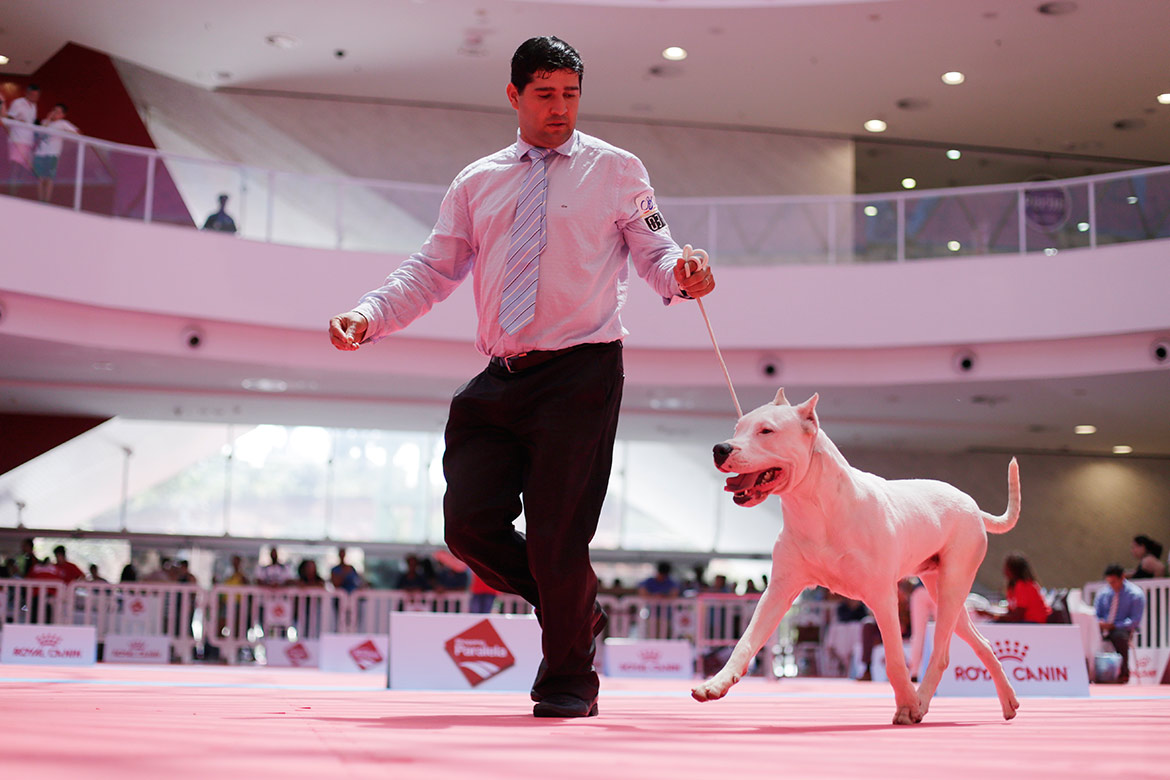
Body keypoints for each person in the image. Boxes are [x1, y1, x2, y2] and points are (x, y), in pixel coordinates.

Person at [328, 36, 714, 719]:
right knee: (468, 527)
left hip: (583, 372)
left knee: (559, 536)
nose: (560, 108)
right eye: (545, 94)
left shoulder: (618, 170)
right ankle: (572, 608)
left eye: (570, 94)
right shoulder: (477, 181)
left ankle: (569, 679)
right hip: (500, 379)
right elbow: (432, 268)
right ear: (514, 95)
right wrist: (368, 312)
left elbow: (657, 251)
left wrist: (686, 272)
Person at [1094, 563, 1146, 684]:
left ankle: (1123, 673)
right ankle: (1090, 671)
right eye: (1109, 582)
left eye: (1114, 582)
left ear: (1122, 577)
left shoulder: (1135, 594)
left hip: (1122, 628)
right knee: (1086, 633)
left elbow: (1134, 620)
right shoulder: (1103, 593)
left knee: (1119, 636)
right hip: (1102, 628)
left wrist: (1115, 625)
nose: (1112, 585)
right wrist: (1100, 623)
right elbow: (1096, 613)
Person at [32, 103, 79, 203]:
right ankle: (40, 200)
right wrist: (48, 120)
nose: (54, 113)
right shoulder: (45, 122)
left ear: (62, 115)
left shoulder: (63, 123)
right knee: (40, 178)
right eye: (54, 110)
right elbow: (40, 133)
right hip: (40, 153)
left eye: (58, 112)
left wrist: (64, 133)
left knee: (49, 178)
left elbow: (77, 133)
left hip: (53, 154)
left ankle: (47, 200)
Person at [994, 552, 1052, 623]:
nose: (1004, 571)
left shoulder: (1024, 585)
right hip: (1024, 622)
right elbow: (1011, 613)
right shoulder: (1012, 587)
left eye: (1007, 568)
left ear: (1014, 570)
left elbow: (1017, 616)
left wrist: (991, 615)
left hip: (1035, 622)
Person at [5, 83, 39, 194]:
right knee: (15, 167)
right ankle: (11, 193)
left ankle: (16, 192)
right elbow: (9, 117)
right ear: (27, 93)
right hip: (17, 139)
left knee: (22, 169)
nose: (34, 97)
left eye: (36, 95)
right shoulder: (18, 103)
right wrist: (19, 121)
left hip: (28, 141)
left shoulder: (34, 106)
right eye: (32, 95)